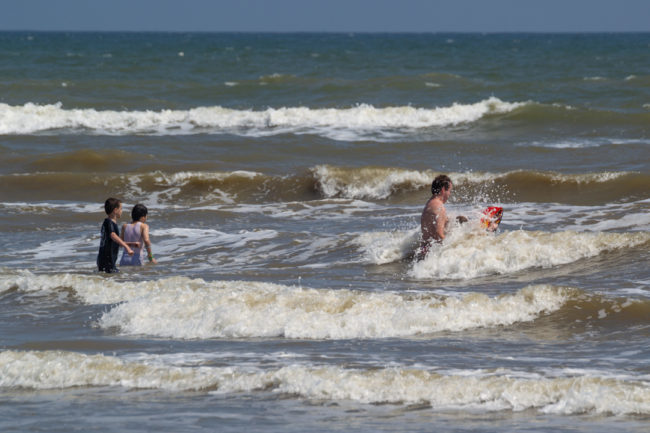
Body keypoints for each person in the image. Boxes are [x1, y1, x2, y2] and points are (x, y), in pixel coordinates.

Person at [419, 174, 453, 259]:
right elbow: (438, 233)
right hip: (432, 255)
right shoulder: (439, 206)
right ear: (443, 190)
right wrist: (453, 248)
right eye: (449, 191)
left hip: (425, 250)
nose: (450, 194)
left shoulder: (430, 203)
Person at [97, 198, 133, 273]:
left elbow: (114, 241)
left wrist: (131, 244)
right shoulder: (109, 222)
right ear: (115, 210)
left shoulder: (108, 222)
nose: (122, 211)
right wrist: (127, 247)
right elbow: (113, 235)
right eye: (121, 208)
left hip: (105, 258)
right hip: (107, 259)